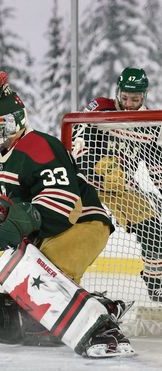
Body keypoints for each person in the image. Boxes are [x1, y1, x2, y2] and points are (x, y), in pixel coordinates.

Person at [0, 71, 133, 357]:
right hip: (55, 227)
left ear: (14, 123)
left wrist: (27, 220)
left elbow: (66, 202)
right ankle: (103, 306)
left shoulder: (38, 146)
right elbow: (16, 202)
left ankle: (106, 333)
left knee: (51, 272)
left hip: (83, 222)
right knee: (30, 271)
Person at [74, 67, 162, 302]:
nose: (130, 104)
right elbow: (76, 141)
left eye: (135, 99)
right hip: (88, 183)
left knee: (154, 231)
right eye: (125, 98)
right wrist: (97, 168)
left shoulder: (151, 122)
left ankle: (156, 285)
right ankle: (61, 279)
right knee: (74, 228)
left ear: (144, 95)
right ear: (118, 92)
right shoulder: (101, 107)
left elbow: (156, 164)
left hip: (122, 187)